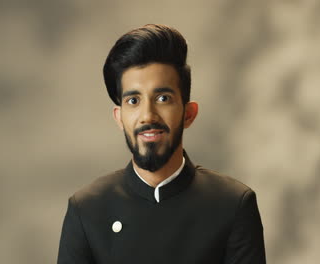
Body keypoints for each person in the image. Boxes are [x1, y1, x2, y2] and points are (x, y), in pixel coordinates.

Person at [57, 24, 266, 264]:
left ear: (189, 114)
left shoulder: (233, 205)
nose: (148, 115)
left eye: (163, 98)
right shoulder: (87, 210)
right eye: (133, 100)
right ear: (119, 117)